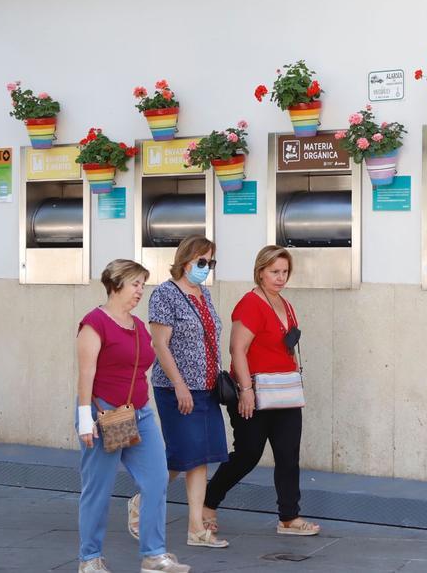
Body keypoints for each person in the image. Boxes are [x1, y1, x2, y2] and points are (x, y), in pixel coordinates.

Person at [75, 259, 190, 573]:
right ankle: (90, 559)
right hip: (103, 416)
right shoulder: (94, 323)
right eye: (135, 284)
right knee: (98, 489)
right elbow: (86, 373)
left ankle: (154, 556)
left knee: (155, 481)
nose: (140, 290)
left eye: (143, 284)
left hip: (139, 415)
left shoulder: (138, 326)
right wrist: (85, 416)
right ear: (115, 284)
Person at [203, 245, 321, 536]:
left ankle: (289, 518)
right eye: (274, 272)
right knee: (248, 453)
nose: (281, 278)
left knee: (287, 454)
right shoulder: (250, 304)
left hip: (284, 391)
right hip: (254, 391)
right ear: (260, 272)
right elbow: (237, 350)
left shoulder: (286, 304)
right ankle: (208, 502)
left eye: (284, 272)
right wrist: (245, 390)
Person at [126, 236, 229, 548]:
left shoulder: (204, 293)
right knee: (182, 456)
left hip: (207, 387)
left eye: (210, 262)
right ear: (185, 261)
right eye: (201, 262)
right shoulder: (165, 295)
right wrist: (180, 384)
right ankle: (141, 502)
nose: (206, 268)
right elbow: (160, 345)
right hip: (175, 389)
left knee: (201, 457)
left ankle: (196, 528)